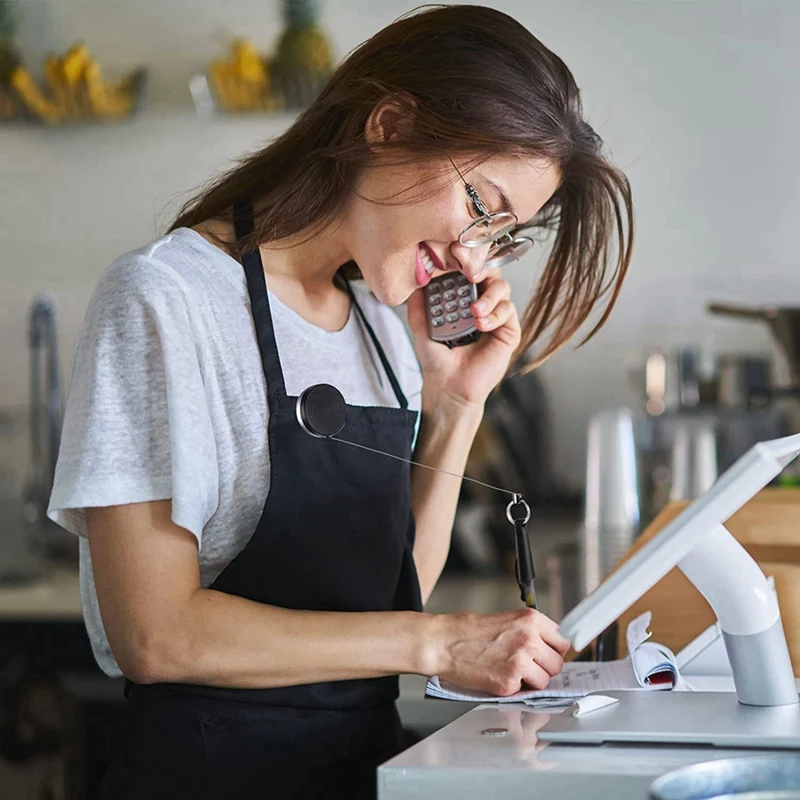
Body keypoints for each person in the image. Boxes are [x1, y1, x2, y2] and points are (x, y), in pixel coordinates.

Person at [48, 5, 633, 798]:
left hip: (362, 774)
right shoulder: (165, 298)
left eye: (501, 235)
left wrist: (456, 405)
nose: (473, 254)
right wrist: (436, 645)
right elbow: (156, 634)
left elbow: (396, 590)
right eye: (479, 206)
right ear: (389, 124)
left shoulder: (383, 327)